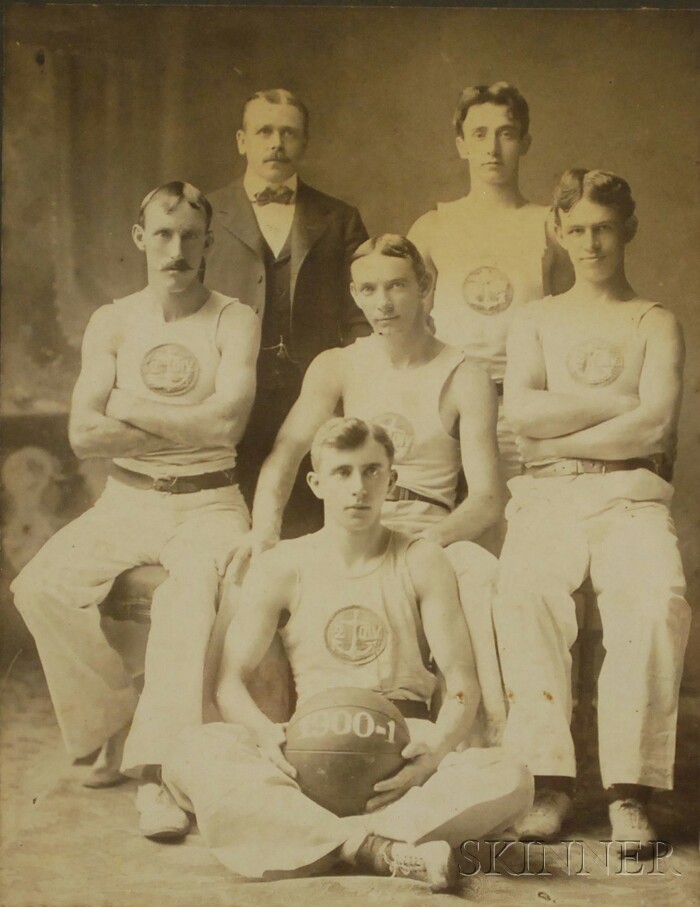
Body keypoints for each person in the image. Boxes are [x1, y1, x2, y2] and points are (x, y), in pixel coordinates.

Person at [162, 418, 533, 889]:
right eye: (342, 473)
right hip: (307, 753)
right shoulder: (284, 565)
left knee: (511, 775)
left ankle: (320, 840)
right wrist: (265, 736)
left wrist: (433, 754)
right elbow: (229, 679)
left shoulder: (422, 559)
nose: (358, 488)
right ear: (316, 484)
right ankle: (376, 849)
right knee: (191, 751)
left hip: (399, 754)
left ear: (391, 480)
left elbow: (461, 680)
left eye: (372, 471)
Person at [12, 181, 260, 839]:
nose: (176, 249)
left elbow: (227, 427)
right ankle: (118, 712)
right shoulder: (114, 319)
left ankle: (159, 779)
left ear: (208, 242)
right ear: (139, 237)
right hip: (125, 499)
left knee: (186, 603)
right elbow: (83, 435)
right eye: (162, 234)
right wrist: (187, 421)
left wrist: (127, 406)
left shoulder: (234, 318)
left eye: (189, 236)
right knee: (38, 587)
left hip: (209, 501)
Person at [232, 234, 508, 742]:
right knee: (252, 581)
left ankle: (477, 745)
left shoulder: (465, 374)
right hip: (353, 530)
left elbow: (489, 496)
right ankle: (277, 740)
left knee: (484, 578)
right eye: (369, 289)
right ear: (355, 295)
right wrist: (264, 531)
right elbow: (286, 456)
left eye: (398, 286)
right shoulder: (337, 364)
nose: (383, 303)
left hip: (431, 535)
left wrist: (423, 547)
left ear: (425, 287)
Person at [493, 169, 691, 853]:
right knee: (523, 592)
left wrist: (560, 428)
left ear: (628, 229)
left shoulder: (655, 321)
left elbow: (654, 430)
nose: (589, 242)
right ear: (557, 230)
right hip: (546, 494)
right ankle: (550, 781)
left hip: (629, 495)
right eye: (575, 228)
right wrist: (620, 405)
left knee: (654, 597)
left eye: (603, 227)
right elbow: (520, 413)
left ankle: (629, 792)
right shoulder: (535, 320)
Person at [204, 88, 369, 531]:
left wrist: (346, 396)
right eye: (264, 131)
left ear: (304, 142)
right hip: (230, 398)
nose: (276, 143)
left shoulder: (340, 218)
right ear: (242, 140)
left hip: (312, 401)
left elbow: (360, 320)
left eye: (289, 133)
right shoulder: (205, 214)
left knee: (310, 524)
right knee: (229, 529)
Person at [408, 82, 573, 501]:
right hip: (448, 411)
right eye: (479, 134)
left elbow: (570, 329)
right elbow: (410, 334)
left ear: (525, 142)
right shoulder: (432, 228)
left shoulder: (551, 227)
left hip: (522, 410)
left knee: (523, 537)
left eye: (507, 133)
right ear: (461, 143)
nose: (492, 149)